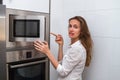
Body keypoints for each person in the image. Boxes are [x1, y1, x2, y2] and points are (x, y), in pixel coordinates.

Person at [34, 16, 93, 80]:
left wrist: (47, 52)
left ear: (81, 31)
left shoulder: (77, 49)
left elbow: (63, 72)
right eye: (70, 26)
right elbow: (61, 63)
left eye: (75, 27)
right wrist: (60, 45)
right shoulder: (74, 46)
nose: (71, 29)